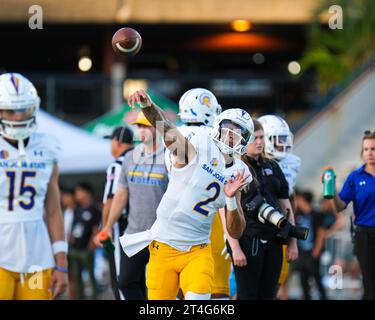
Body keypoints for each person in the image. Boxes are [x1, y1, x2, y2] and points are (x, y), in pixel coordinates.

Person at [121, 89, 254, 300]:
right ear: (217, 126)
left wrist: (230, 199)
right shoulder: (196, 148)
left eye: (238, 133)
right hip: (163, 245)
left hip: (197, 249)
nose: (231, 136)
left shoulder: (238, 173)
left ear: (245, 141)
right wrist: (148, 107)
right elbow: (165, 129)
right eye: (228, 129)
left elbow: (235, 231)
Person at [0, 73, 67, 300]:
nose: (18, 117)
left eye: (23, 109)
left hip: (38, 256)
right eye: (10, 110)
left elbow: (53, 210)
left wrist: (62, 263)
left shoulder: (48, 146)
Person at [166, 88, 231, 299]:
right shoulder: (213, 138)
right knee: (216, 291)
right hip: (209, 220)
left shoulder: (173, 137)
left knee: (181, 290)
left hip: (176, 219)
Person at [223, 118, 298, 300]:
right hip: (247, 239)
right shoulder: (234, 167)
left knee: (269, 294)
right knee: (247, 295)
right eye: (254, 138)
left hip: (273, 239)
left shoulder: (272, 165)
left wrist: (293, 242)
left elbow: (286, 205)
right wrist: (234, 247)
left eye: (261, 137)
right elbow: (223, 210)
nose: (259, 142)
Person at [98, 112, 168, 300]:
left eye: (147, 126)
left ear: (158, 128)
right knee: (125, 282)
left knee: (160, 287)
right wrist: (107, 225)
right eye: (139, 126)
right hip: (134, 233)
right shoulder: (129, 157)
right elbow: (121, 194)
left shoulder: (169, 157)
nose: (142, 130)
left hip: (161, 234)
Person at [326, 130, 375, 299]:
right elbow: (339, 206)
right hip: (365, 235)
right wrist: (332, 191)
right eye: (366, 149)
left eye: (373, 149)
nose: (370, 153)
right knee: (370, 284)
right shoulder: (355, 177)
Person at [258, 114, 301, 299]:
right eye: (278, 140)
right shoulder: (250, 162)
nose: (283, 145)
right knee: (247, 290)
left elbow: (290, 202)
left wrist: (293, 240)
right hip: (255, 232)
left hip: (279, 232)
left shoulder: (290, 163)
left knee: (274, 285)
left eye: (284, 139)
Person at [100, 125, 134, 298]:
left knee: (120, 276)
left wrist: (106, 227)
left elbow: (112, 199)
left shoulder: (117, 165)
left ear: (117, 142)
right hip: (142, 223)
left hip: (121, 223)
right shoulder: (141, 160)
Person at [68, 182, 100, 300]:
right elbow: (74, 225)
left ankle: (95, 296)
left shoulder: (94, 209)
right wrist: (71, 237)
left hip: (86, 248)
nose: (76, 195)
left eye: (79, 192)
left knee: (91, 276)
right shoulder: (77, 208)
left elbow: (96, 228)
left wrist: (92, 244)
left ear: (87, 193)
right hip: (75, 248)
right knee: (76, 277)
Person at [295, 190, 327, 300]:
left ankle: (323, 296)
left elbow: (321, 232)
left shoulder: (316, 214)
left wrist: (317, 249)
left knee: (316, 278)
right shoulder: (298, 214)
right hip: (302, 252)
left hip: (312, 251)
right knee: (303, 279)